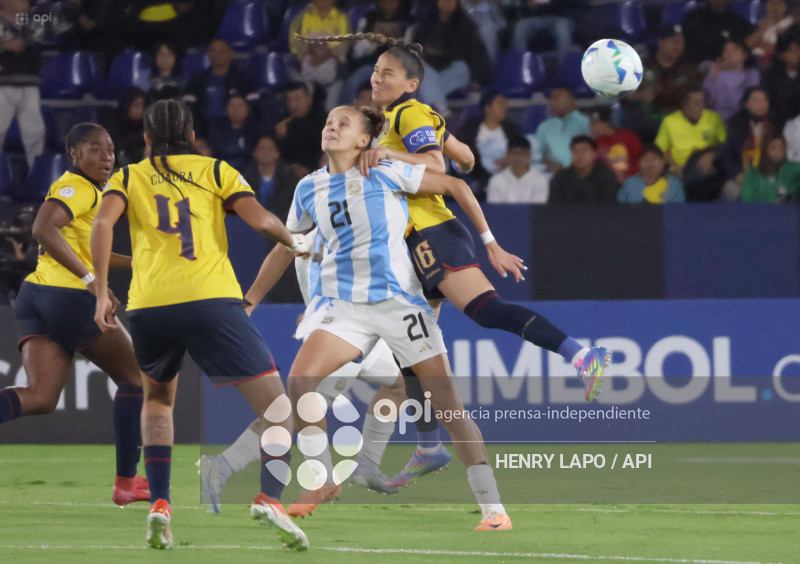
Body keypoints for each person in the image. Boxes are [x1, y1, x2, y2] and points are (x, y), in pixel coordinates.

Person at [299, 34, 610, 490]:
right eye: (376, 71)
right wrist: (438, 147)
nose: (377, 78)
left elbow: (437, 167)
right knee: (412, 354)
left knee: (485, 311)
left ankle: (582, 355)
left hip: (432, 234)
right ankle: (428, 446)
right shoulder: (399, 120)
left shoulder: (408, 113)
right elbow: (461, 158)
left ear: (412, 82)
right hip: (407, 248)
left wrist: (488, 241)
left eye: (389, 72)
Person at [90, 100, 309, 551]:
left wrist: (99, 292)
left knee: (157, 402)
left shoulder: (128, 176)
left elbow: (101, 225)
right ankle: (270, 497)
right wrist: (296, 241)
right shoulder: (215, 170)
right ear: (192, 135)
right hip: (211, 300)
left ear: (147, 139)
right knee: (278, 409)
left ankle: (161, 505)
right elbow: (261, 220)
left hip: (150, 306)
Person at [287, 103, 514, 531]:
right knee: (301, 380)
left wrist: (488, 241)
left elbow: (453, 183)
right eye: (328, 121)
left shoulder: (384, 173)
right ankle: (319, 480)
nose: (331, 127)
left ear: (363, 140)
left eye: (343, 123)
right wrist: (310, 300)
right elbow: (296, 246)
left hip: (398, 304)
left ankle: (493, 509)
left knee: (446, 406)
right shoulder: (307, 189)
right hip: (347, 309)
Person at [197, 229, 407, 516]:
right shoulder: (335, 215)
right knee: (295, 414)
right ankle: (227, 465)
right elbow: (287, 249)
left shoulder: (334, 213)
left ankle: (367, 465)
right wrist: (253, 303)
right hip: (342, 330)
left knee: (401, 384)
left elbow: (293, 251)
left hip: (356, 327)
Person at [0, 123, 150, 508]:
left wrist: (139, 262)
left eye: (111, 149)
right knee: (135, 379)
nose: (106, 157)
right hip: (65, 296)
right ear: (74, 155)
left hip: (37, 297)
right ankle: (126, 482)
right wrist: (91, 282)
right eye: (96, 150)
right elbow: (42, 228)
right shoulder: (76, 188)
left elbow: (89, 253)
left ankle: (127, 482)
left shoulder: (92, 194)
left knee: (41, 396)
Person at [410, 0, 492, 118]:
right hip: (430, 72)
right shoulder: (427, 22)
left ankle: (433, 106)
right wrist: (430, 53)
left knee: (460, 67)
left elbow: (472, 55)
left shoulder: (465, 23)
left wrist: (439, 53)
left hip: (455, 72)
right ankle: (442, 110)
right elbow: (416, 47)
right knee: (421, 70)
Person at [0, 0, 45, 168]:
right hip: (3, 84)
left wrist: (13, 25)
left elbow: (34, 42)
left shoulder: (35, 18)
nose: (25, 2)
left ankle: (37, 178)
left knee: (35, 133)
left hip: (29, 83)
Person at [182, 39, 257, 136]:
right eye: (214, 51)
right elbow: (188, 106)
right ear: (208, 54)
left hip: (234, 128)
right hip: (204, 128)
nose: (218, 54)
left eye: (222, 51)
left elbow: (253, 107)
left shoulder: (243, 78)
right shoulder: (198, 79)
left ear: (230, 53)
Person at [288, 0, 351, 110]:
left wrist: (323, 50)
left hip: (333, 70)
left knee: (331, 105)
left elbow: (344, 46)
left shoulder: (341, 17)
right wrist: (309, 51)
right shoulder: (302, 16)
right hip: (307, 66)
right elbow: (294, 43)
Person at [459, 89, 523, 189]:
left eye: (505, 104)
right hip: (480, 175)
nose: (504, 108)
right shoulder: (470, 129)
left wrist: (510, 160)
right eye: (500, 104)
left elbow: (521, 150)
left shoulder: (512, 129)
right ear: (487, 108)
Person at [654, 89, 727, 174]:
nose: (701, 106)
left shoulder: (714, 118)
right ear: (685, 105)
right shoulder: (669, 122)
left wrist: (712, 154)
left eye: (702, 102)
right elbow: (661, 149)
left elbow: (726, 144)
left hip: (708, 169)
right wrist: (675, 165)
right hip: (680, 170)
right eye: (696, 103)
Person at [719, 87, 772, 200]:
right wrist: (736, 174)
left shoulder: (774, 123)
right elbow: (725, 155)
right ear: (746, 104)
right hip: (740, 176)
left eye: (764, 100)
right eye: (756, 101)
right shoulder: (734, 124)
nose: (761, 105)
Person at [640, 24, 703, 116]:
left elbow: (695, 96)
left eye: (682, 42)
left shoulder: (689, 68)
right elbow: (623, 94)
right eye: (675, 42)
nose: (679, 47)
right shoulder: (643, 66)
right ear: (661, 42)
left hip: (678, 121)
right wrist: (637, 96)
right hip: (645, 122)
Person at [275, 81, 328, 178]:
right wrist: (280, 138)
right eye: (289, 101)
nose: (292, 105)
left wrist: (311, 169)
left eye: (297, 100)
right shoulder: (285, 124)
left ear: (309, 99)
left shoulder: (325, 123)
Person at [535, 86, 592, 173]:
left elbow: (593, 153)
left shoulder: (586, 122)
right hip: (553, 174)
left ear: (570, 99)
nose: (553, 102)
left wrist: (569, 169)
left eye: (557, 98)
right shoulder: (544, 127)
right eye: (551, 99)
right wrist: (550, 164)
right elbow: (537, 155)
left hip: (581, 173)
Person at [549, 135, 620, 204]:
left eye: (584, 150)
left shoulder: (606, 177)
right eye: (575, 151)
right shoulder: (561, 177)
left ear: (594, 154)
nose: (579, 155)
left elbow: (609, 206)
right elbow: (554, 205)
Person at [681, 0, 754, 65]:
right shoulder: (692, 19)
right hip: (696, 71)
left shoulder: (740, 23)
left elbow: (748, 46)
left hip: (732, 71)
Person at [702, 39, 760, 121]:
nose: (729, 53)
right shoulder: (715, 73)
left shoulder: (751, 74)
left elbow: (747, 102)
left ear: (744, 54)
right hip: (714, 119)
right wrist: (712, 76)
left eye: (734, 49)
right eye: (726, 50)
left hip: (740, 120)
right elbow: (706, 100)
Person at [486, 136, 549, 203]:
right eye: (515, 153)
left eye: (522, 153)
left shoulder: (540, 180)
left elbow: (537, 210)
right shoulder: (496, 181)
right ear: (507, 155)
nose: (518, 158)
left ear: (529, 155)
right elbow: (494, 210)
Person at [208, 95, 262, 171]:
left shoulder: (256, 131)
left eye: (240, 106)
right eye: (232, 106)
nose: (236, 109)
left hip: (248, 171)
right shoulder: (216, 130)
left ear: (248, 109)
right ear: (226, 110)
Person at [741, 133, 800, 202]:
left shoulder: (794, 169)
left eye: (781, 148)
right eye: (773, 147)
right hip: (760, 210)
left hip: (788, 211)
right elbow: (746, 199)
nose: (777, 152)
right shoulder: (753, 174)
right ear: (765, 149)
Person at [617, 144, 685, 204]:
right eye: (645, 159)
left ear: (662, 162)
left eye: (654, 158)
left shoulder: (674, 184)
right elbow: (619, 207)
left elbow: (678, 211)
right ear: (639, 163)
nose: (649, 162)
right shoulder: (630, 183)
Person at [591, 107, 643, 183]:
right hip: (607, 184)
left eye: (594, 124)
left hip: (632, 182)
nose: (591, 128)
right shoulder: (596, 142)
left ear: (604, 123)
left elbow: (641, 158)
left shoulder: (627, 136)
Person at [762, 32, 800, 130]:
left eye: (797, 49)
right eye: (790, 51)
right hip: (778, 125)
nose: (795, 54)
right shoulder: (770, 74)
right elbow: (767, 103)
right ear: (781, 54)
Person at [111, 86, 147, 168]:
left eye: (142, 106)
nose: (141, 110)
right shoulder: (114, 126)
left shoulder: (145, 126)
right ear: (126, 106)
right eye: (137, 106)